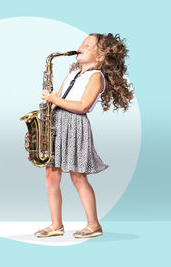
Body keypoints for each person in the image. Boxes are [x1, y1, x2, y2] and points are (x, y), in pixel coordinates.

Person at [34, 33, 134, 238]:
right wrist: (48, 104)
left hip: (75, 124)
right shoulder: (72, 72)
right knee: (51, 176)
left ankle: (94, 225)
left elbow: (82, 106)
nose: (80, 47)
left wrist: (55, 99)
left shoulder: (96, 77)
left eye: (87, 45)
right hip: (56, 123)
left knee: (78, 176)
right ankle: (56, 225)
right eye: (81, 43)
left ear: (100, 57)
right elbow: (58, 99)